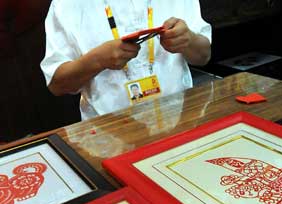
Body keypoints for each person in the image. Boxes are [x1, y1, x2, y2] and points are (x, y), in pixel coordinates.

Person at [41, 0, 211, 120]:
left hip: (181, 120)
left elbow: (204, 56)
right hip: (109, 135)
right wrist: (98, 60)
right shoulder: (67, 5)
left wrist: (189, 40)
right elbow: (57, 85)